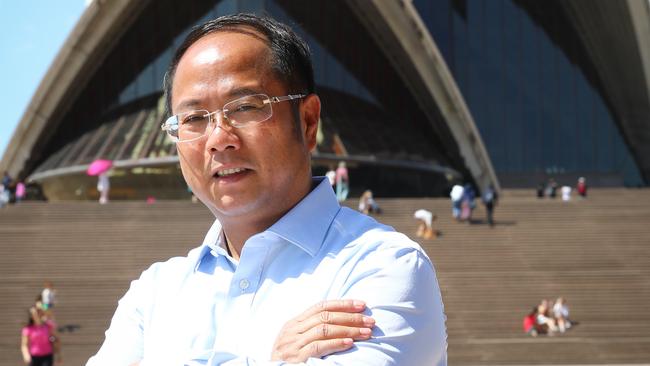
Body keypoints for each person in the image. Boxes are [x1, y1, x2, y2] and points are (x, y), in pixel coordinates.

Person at [88, 14, 446, 365]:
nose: (218, 139)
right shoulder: (154, 293)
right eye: (194, 119)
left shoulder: (382, 266)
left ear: (307, 122)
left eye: (245, 108)